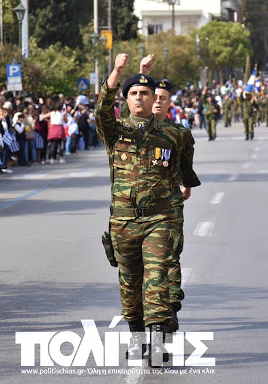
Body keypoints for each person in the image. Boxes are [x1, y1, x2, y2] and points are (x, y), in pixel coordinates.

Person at [95, 53, 182, 367]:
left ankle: (157, 342)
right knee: (130, 285)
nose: (140, 97)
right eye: (133, 93)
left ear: (153, 98)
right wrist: (117, 71)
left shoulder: (171, 135)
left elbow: (175, 180)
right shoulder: (115, 132)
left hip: (158, 220)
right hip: (123, 222)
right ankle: (136, 337)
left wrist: (174, 221)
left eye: (145, 93)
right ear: (126, 99)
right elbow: (102, 108)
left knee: (156, 279)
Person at [139, 56, 201, 333]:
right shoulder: (139, 129)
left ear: (168, 102)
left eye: (163, 97)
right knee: (143, 263)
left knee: (169, 255)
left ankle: (170, 304)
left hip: (169, 203)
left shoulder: (179, 133)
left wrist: (186, 183)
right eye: (155, 96)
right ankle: (153, 309)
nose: (157, 101)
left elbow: (186, 165)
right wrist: (141, 73)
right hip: (139, 208)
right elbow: (129, 105)